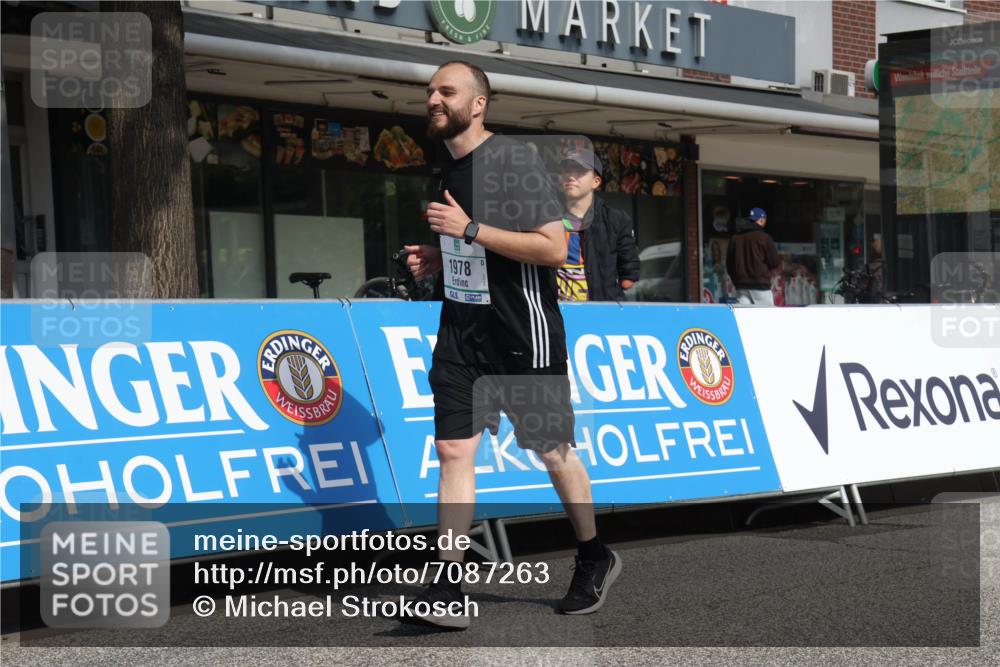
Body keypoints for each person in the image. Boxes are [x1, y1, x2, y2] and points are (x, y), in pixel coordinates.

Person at [402, 61, 621, 629]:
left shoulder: (515, 162)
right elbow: (470, 249)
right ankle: (449, 587)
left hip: (523, 333)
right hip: (461, 333)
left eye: (446, 92)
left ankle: (594, 555)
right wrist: (437, 258)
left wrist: (470, 231)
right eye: (429, 91)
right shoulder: (442, 170)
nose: (433, 99)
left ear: (478, 104)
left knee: (552, 452)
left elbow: (552, 249)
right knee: (453, 452)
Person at [557, 149, 639, 302]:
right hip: (555, 311)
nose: (571, 176)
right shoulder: (546, 217)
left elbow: (629, 275)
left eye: (580, 172)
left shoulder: (616, 219)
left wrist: (627, 277)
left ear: (596, 182)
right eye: (566, 171)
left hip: (601, 311)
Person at [725, 207, 782, 306]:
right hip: (760, 286)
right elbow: (774, 262)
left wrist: (737, 280)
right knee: (766, 318)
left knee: (743, 317)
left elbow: (729, 264)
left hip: (741, 286)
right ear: (761, 220)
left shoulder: (735, 239)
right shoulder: (764, 238)